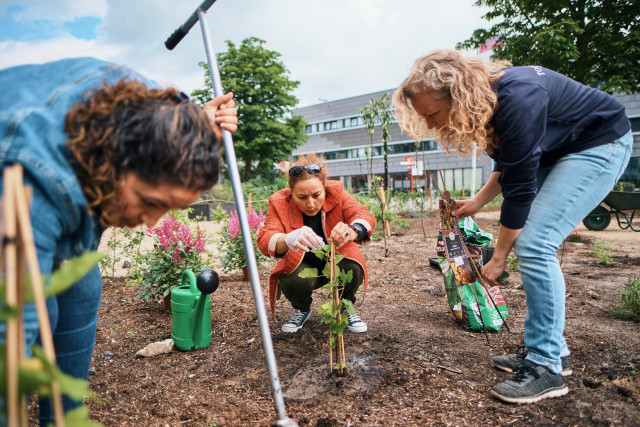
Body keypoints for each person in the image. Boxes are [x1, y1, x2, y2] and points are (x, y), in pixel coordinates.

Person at [0, 57, 238, 423]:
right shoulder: (32, 184)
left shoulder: (156, 112)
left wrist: (200, 127)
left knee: (80, 298)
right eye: (148, 201)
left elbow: (174, 116)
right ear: (117, 161)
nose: (149, 222)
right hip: (23, 183)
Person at [392, 49, 632, 403]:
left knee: (535, 242)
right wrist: (476, 203)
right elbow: (510, 163)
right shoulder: (488, 106)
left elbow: (520, 188)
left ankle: (546, 366)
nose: (430, 124)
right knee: (534, 241)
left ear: (457, 96)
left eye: (432, 113)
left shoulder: (519, 98)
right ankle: (553, 352)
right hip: (563, 151)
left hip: (599, 144)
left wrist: (500, 256)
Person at [257, 154, 376, 333]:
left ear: (324, 188)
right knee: (290, 278)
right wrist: (287, 239)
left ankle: (345, 307)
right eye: (302, 197)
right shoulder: (279, 202)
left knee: (352, 267)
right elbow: (265, 238)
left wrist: (352, 229)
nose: (311, 204)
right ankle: (302, 308)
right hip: (303, 265)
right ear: (291, 194)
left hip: (336, 260)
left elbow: (363, 214)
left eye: (316, 195)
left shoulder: (337, 193)